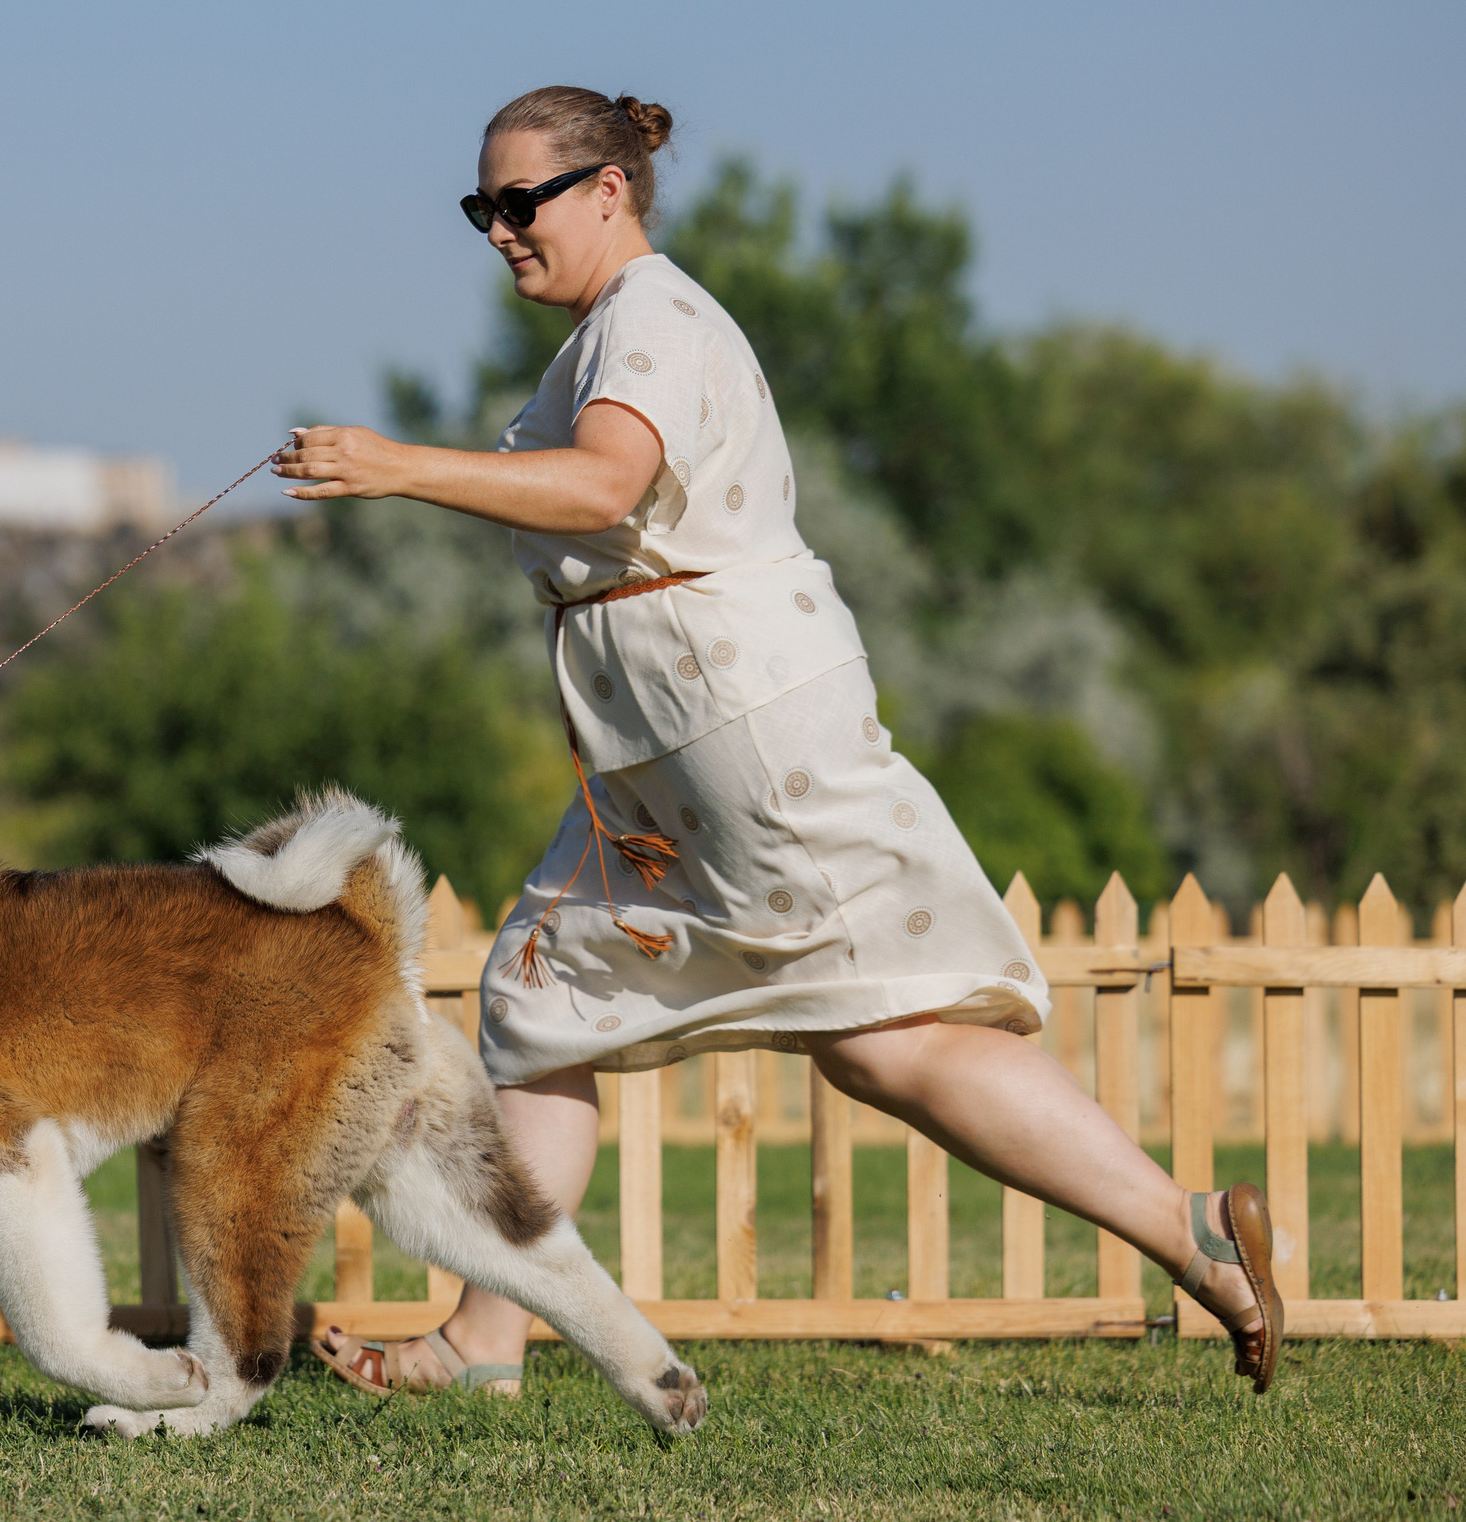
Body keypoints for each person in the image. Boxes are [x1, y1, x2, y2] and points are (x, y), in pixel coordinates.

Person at [273, 85, 1283, 1400]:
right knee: (562, 1010)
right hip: (672, 741)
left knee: (871, 1036)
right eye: (482, 208)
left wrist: (397, 463)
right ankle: (485, 1338)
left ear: (607, 191)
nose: (498, 231)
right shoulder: (604, 336)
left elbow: (600, 488)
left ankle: (1193, 1235)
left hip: (739, 727)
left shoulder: (653, 321)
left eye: (519, 203)